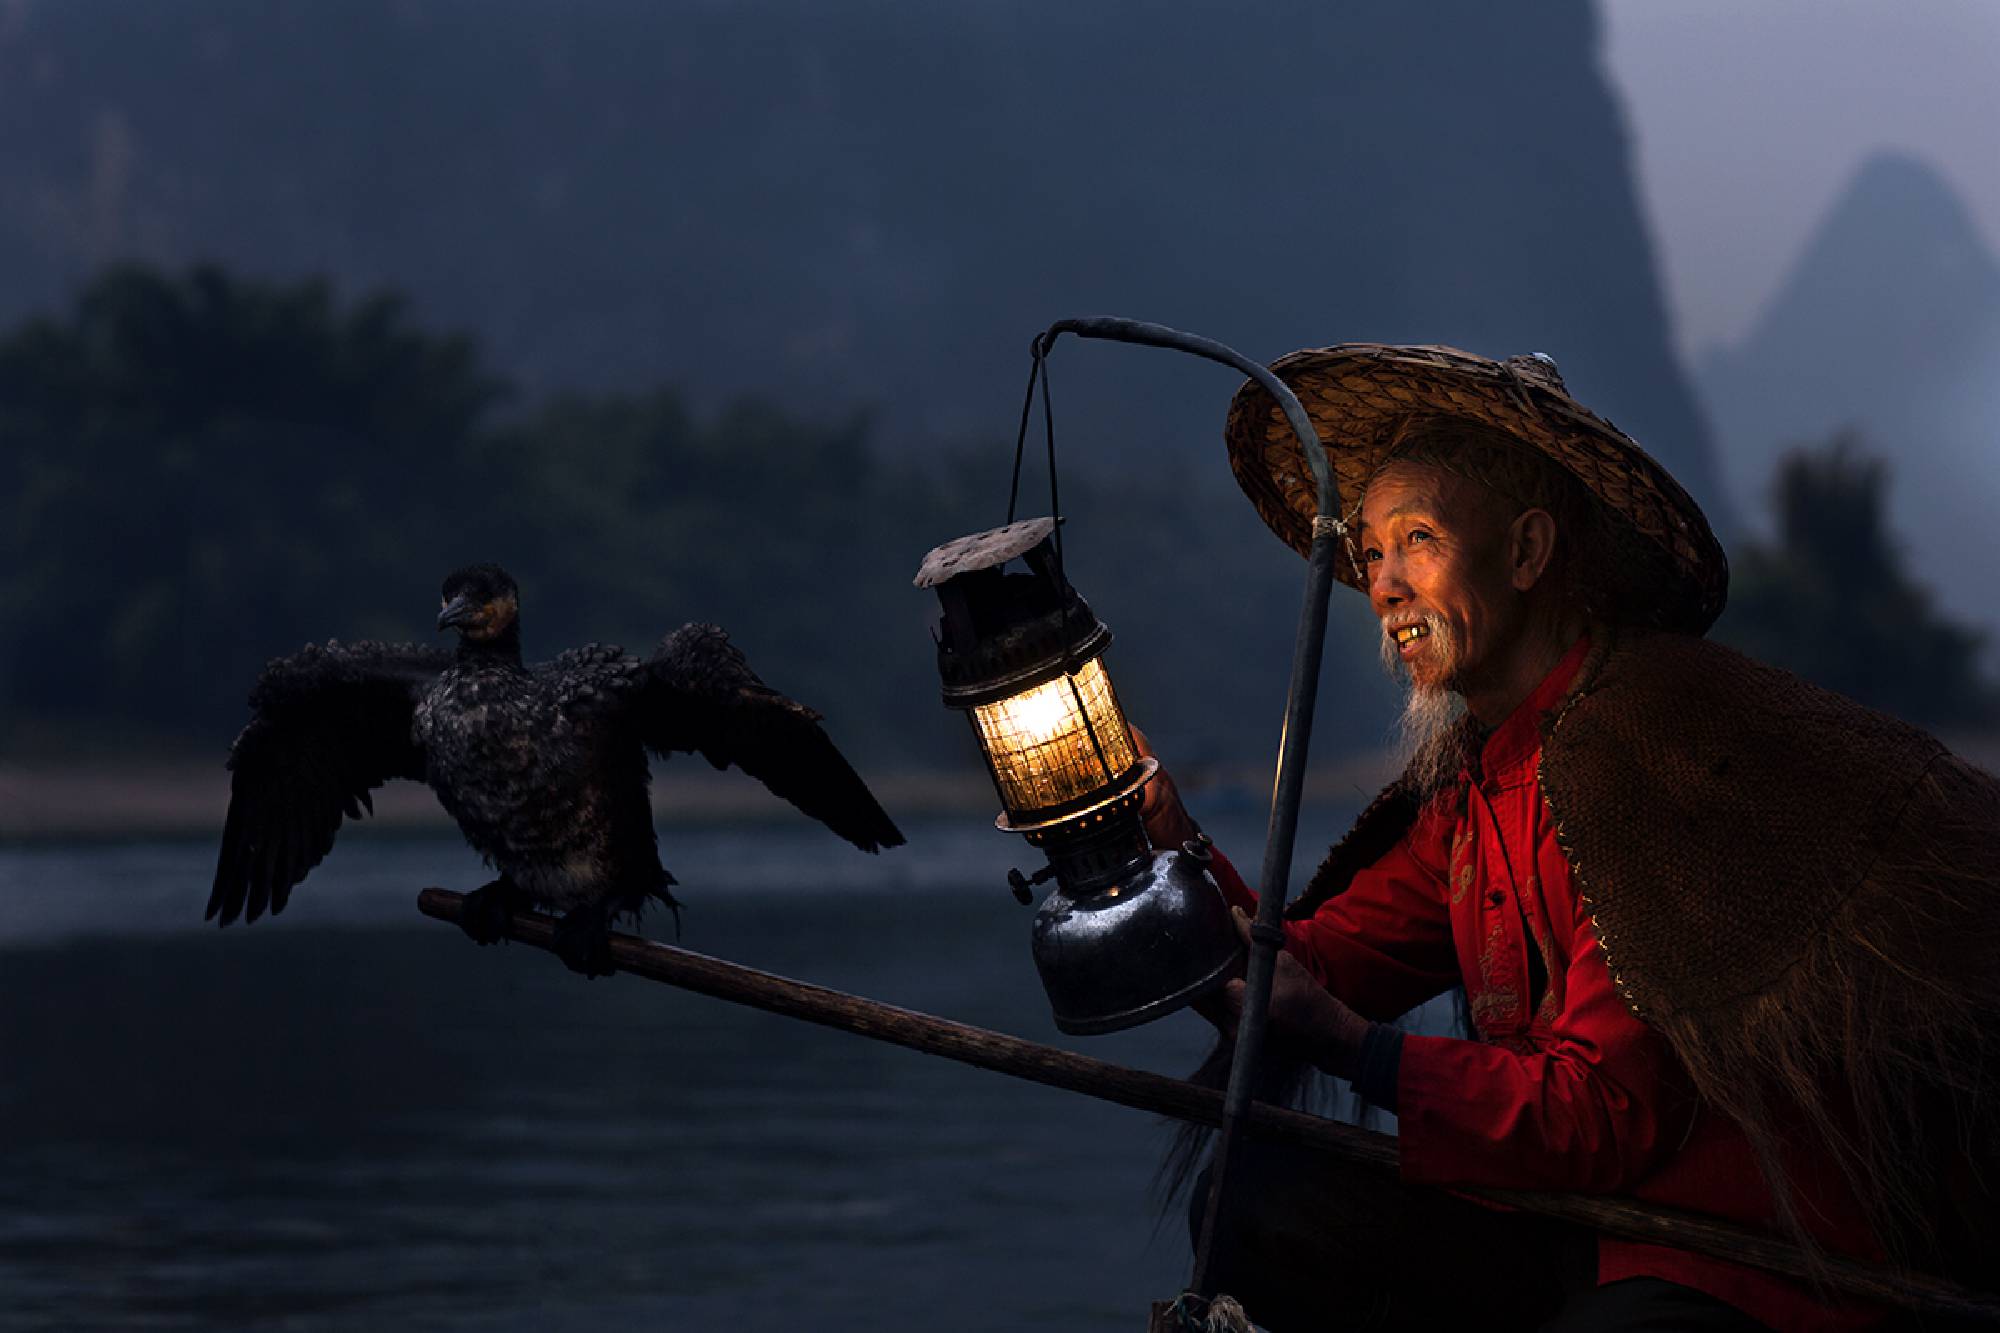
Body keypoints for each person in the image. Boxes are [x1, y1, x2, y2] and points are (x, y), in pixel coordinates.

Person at [1141, 344, 2000, 1331]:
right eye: (1370, 551)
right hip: (1562, 1221)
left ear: (1523, 552)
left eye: (1415, 538)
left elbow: (1604, 1116)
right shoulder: (1479, 785)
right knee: (1260, 1201)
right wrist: (1156, 838)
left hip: (1727, 1260)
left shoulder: (1650, 754)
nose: (1379, 586)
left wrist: (1355, 1049)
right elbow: (1305, 971)